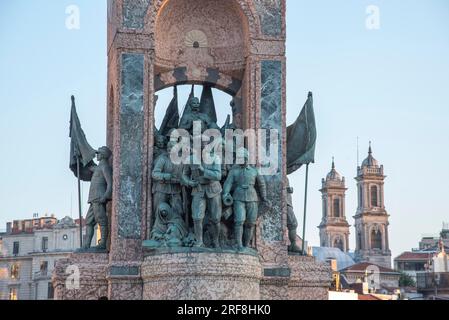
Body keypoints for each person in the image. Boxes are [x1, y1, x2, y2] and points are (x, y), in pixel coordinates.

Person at [222, 148, 270, 250]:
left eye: (241, 158)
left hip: (252, 198)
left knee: (251, 222)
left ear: (246, 158)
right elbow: (228, 183)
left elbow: (261, 184)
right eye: (238, 158)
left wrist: (264, 197)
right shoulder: (234, 171)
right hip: (238, 197)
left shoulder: (254, 171)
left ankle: (246, 245)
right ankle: (239, 245)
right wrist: (225, 194)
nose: (239, 160)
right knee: (239, 221)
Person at [182, 140, 222, 248]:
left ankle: (216, 241)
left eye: (204, 146)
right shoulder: (190, 159)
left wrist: (203, 170)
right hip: (198, 189)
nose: (202, 149)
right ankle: (199, 241)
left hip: (213, 190)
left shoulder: (215, 158)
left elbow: (218, 176)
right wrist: (189, 182)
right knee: (197, 217)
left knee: (216, 218)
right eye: (199, 147)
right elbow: (184, 175)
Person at [84, 146, 113, 250]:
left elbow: (110, 183)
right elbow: (89, 166)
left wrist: (105, 196)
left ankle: (103, 244)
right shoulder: (98, 167)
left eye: (98, 153)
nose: (97, 155)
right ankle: (86, 245)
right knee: (89, 222)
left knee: (101, 220)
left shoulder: (105, 167)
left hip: (99, 197)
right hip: (93, 199)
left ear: (103, 155)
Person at [152, 141, 184, 222]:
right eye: (169, 148)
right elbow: (154, 174)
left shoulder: (181, 161)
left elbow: (184, 174)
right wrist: (166, 176)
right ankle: (158, 231)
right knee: (159, 211)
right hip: (161, 189)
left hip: (175, 190)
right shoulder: (162, 159)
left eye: (172, 148)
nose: (170, 150)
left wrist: (182, 180)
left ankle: (176, 231)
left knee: (178, 211)